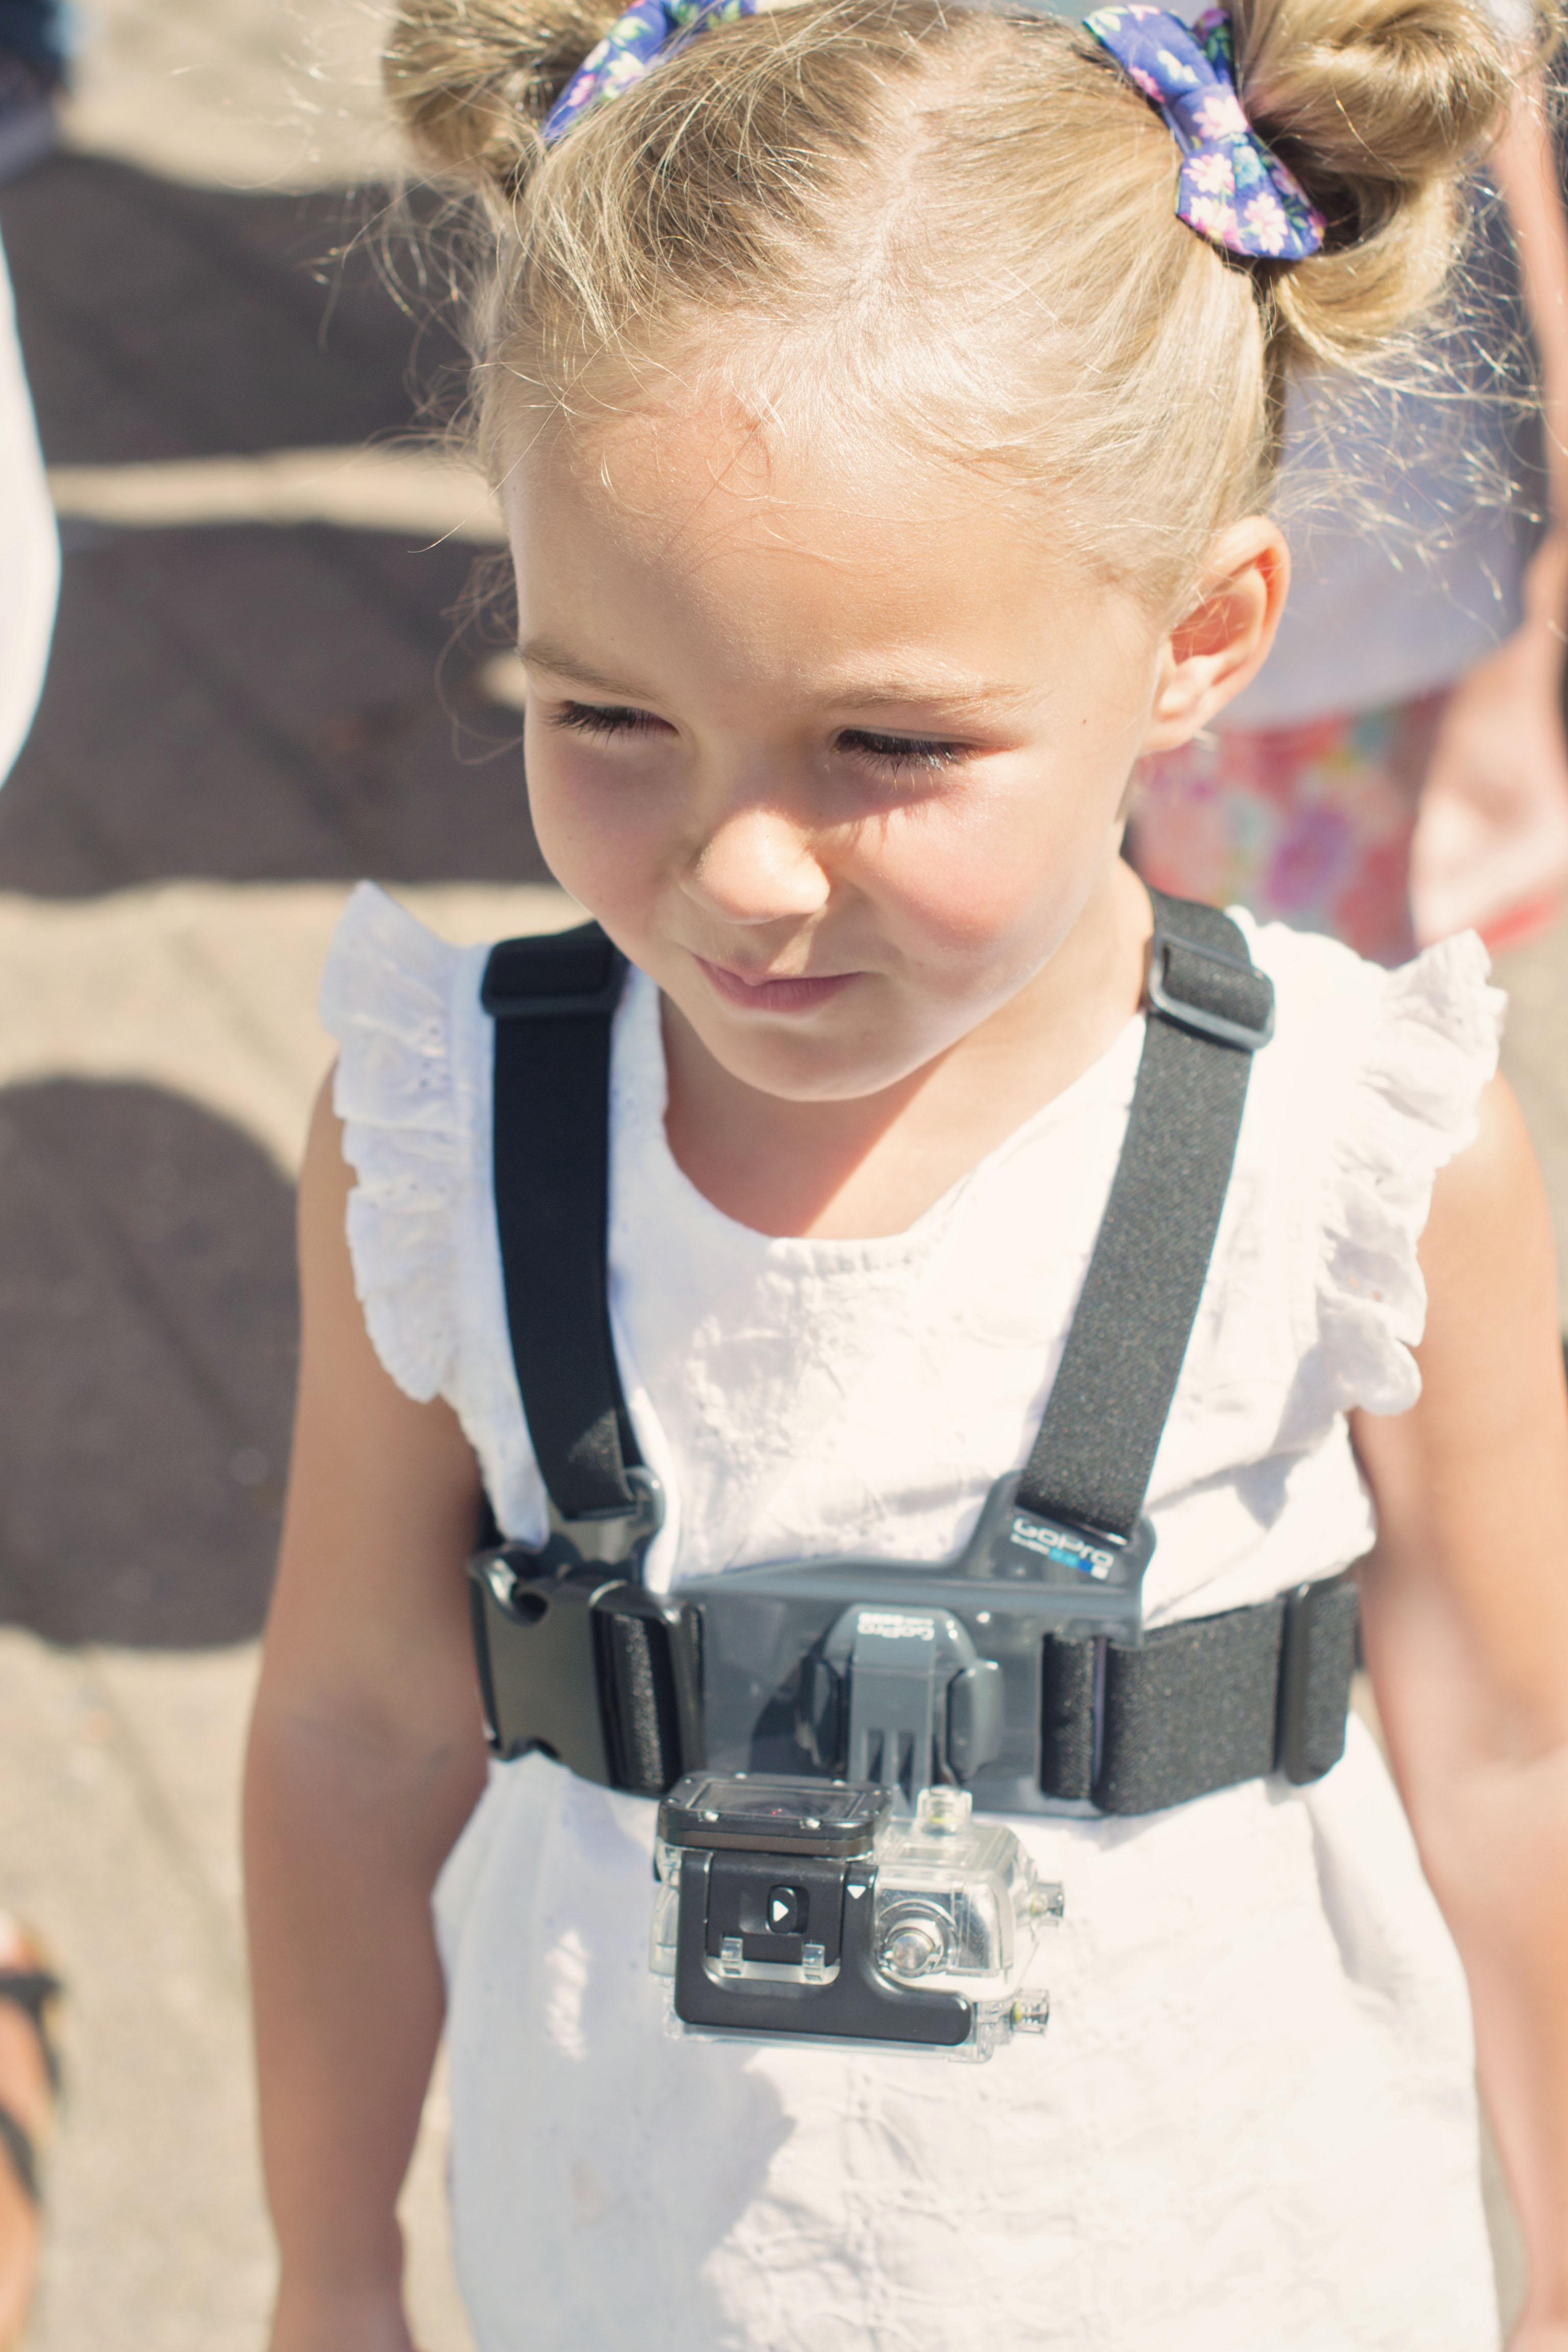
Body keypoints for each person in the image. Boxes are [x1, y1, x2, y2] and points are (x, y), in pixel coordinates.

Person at [244, 1, 1568, 2347]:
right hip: (630, 2275)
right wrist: (331, 2270)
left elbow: (1514, 1750)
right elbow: (357, 1729)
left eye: (882, 743)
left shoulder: (1362, 1148)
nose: (741, 871)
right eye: (606, 715)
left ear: (1197, 641)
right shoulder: (447, 1128)